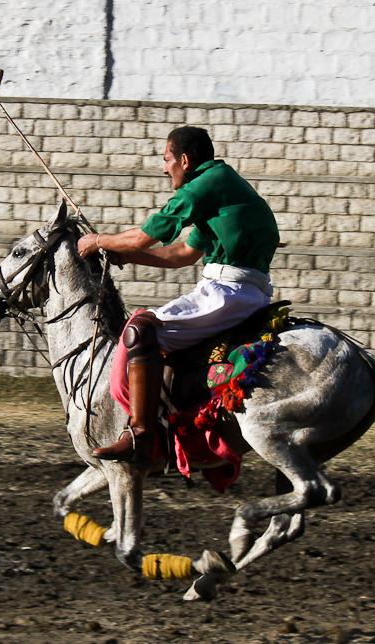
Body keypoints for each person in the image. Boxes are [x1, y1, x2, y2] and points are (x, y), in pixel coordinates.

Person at [77, 126, 279, 463]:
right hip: (240, 289)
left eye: (166, 159)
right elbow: (183, 253)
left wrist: (97, 240)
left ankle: (141, 434)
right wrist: (126, 255)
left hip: (228, 292)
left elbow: (144, 236)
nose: (163, 167)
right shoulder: (221, 185)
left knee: (141, 330)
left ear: (184, 160)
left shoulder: (202, 187)